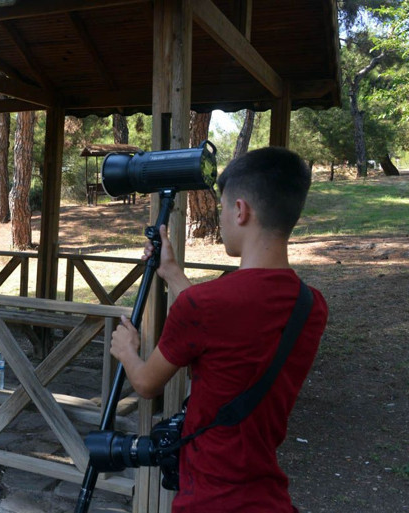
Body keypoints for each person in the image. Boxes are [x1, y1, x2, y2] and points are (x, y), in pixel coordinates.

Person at [109, 146, 328, 512]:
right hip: (268, 497)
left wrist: (127, 349)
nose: (222, 218)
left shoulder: (207, 305)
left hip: (208, 499)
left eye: (224, 208)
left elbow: (146, 383)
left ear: (241, 211)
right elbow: (227, 322)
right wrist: (172, 273)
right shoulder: (311, 306)